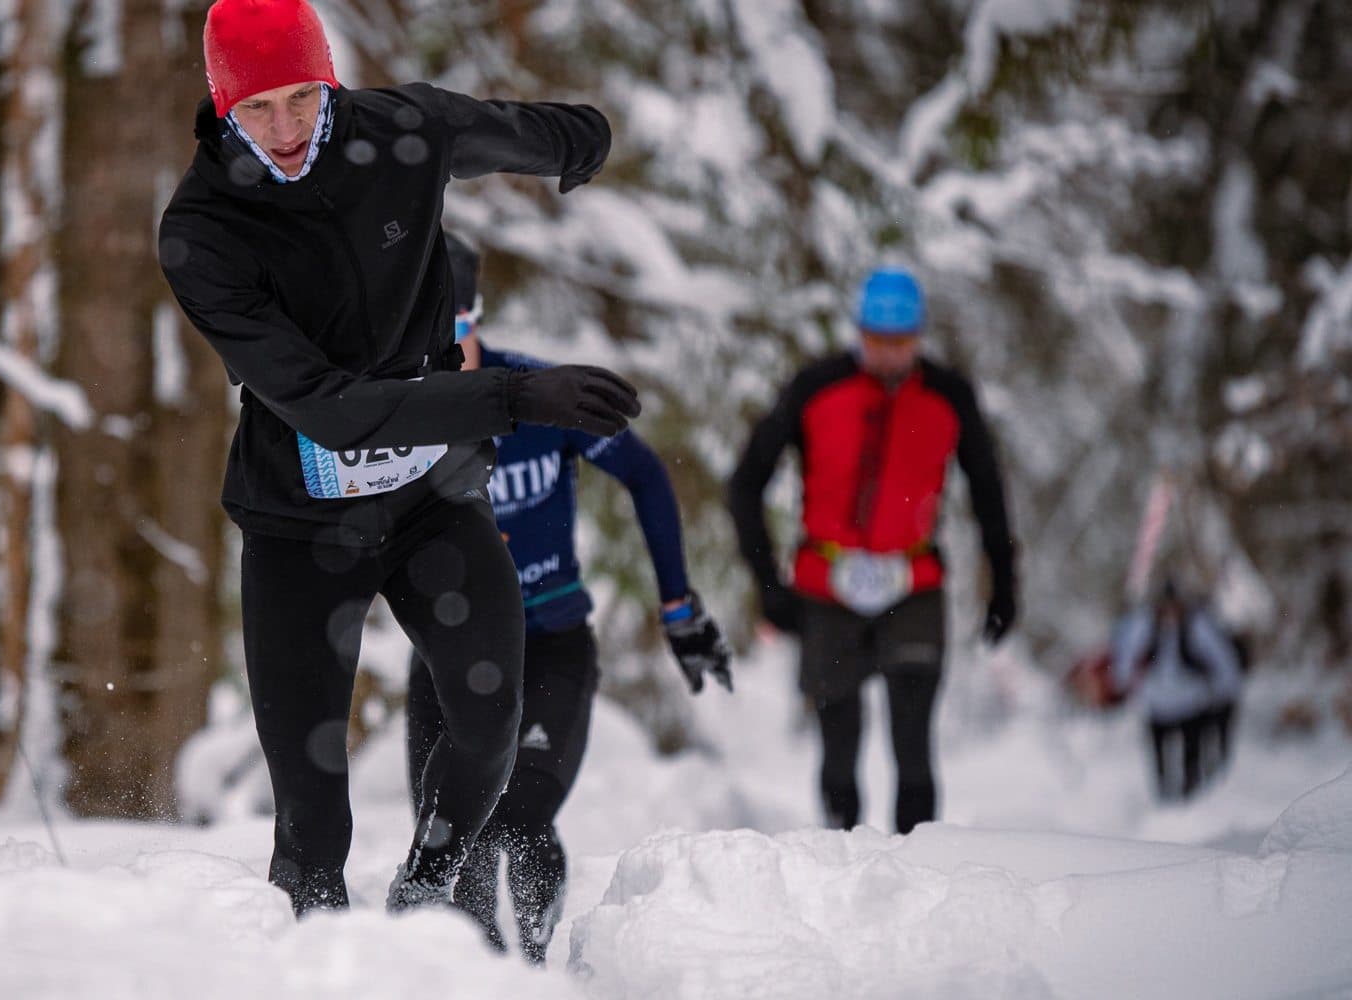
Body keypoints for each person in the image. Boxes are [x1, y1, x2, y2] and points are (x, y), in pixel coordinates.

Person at [158, 0, 632, 915]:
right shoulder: (202, 231)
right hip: (299, 522)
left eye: (302, 97)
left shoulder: (399, 133)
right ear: (222, 105)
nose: (286, 129)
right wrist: (514, 397)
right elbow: (332, 410)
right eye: (257, 109)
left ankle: (424, 892)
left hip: (433, 503)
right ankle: (314, 960)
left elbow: (510, 132)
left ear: (327, 77)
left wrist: (583, 143)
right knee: (310, 819)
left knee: (491, 717)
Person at [403, 235, 732, 961]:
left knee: (514, 816)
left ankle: (542, 962)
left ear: (476, 318)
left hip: (549, 643)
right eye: (422, 336)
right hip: (445, 656)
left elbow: (646, 475)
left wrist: (678, 607)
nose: (442, 354)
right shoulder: (397, 413)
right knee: (447, 842)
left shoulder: (539, 394)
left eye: (453, 334)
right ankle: (481, 976)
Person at [727, 267, 1018, 834]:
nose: (887, 354)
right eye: (876, 340)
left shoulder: (948, 396)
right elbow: (745, 483)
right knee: (839, 744)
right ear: (858, 333)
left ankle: (917, 869)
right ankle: (841, 866)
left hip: (913, 582)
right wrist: (767, 584)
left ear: (920, 336)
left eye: (901, 342)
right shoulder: (815, 387)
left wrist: (1005, 583)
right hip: (826, 585)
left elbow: (989, 493)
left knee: (912, 743)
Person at [1110, 578, 1244, 800]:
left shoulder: (1196, 625)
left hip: (1189, 702)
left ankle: (1191, 798)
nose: (1170, 611)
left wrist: (1223, 691)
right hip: (1156, 703)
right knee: (1160, 759)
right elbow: (1125, 657)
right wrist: (1123, 683)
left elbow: (1222, 659)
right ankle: (1163, 798)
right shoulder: (1145, 624)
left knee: (1191, 757)